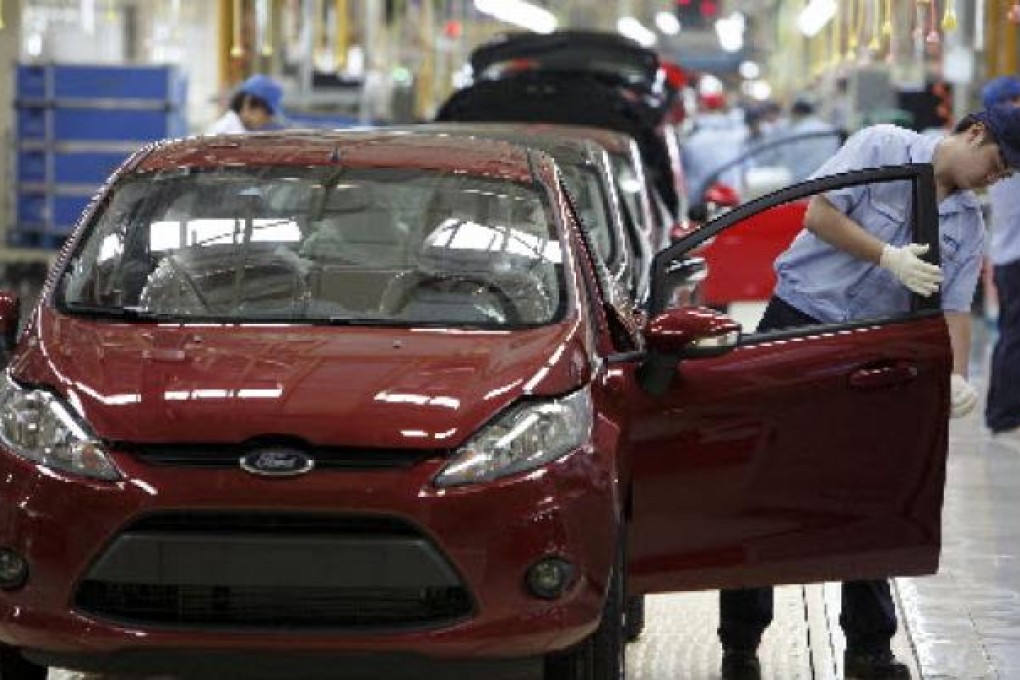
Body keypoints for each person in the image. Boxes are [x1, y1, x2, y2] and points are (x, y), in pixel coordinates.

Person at [719, 105, 1020, 680]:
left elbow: (955, 309)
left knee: (869, 491)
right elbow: (819, 216)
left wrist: (955, 375)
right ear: (975, 133)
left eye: (1005, 178)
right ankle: (741, 643)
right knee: (763, 482)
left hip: (874, 349)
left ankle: (869, 648)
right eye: (997, 164)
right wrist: (885, 256)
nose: (994, 179)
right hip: (798, 325)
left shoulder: (967, 224)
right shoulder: (881, 146)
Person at [982, 76, 1020, 435]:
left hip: (1007, 258)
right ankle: (1004, 413)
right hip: (1016, 259)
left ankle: (1004, 410)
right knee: (1013, 337)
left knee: (1011, 335)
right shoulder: (1009, 153)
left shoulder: (998, 150)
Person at [206, 74, 284, 135]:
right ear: (248, 103)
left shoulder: (245, 130)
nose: (268, 120)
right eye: (268, 114)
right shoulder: (225, 133)